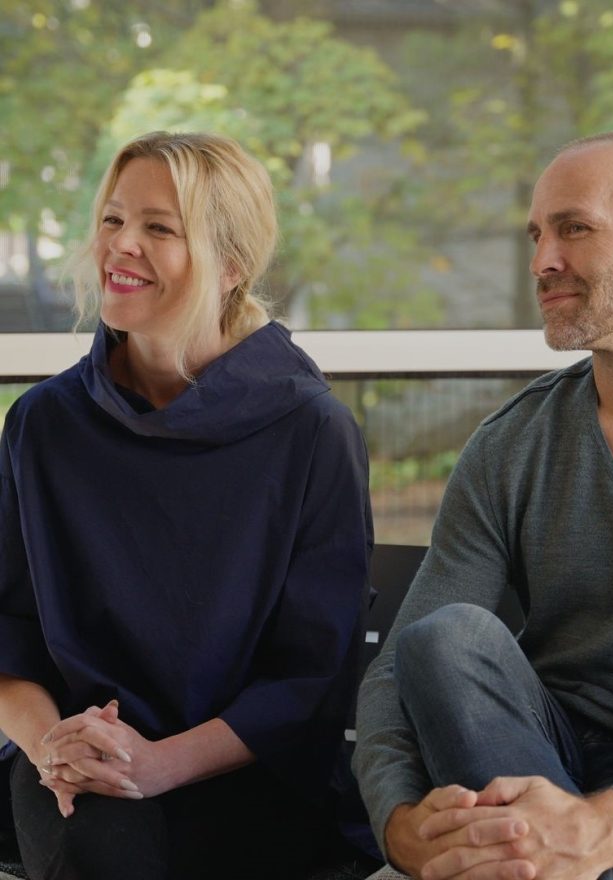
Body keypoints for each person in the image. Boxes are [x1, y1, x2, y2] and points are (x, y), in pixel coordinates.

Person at [352, 128, 613, 880]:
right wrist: (401, 827)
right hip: (526, 773)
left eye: (575, 229)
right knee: (447, 639)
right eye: (537, 234)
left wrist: (603, 830)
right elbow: (395, 677)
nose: (543, 261)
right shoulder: (510, 445)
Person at [0, 130, 374, 880]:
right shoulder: (43, 423)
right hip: (70, 766)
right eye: (112, 220)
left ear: (232, 266)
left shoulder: (310, 430)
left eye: (158, 228)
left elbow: (310, 676)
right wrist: (55, 749)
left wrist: (156, 765)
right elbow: (8, 633)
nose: (121, 245)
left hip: (242, 774)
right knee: (101, 831)